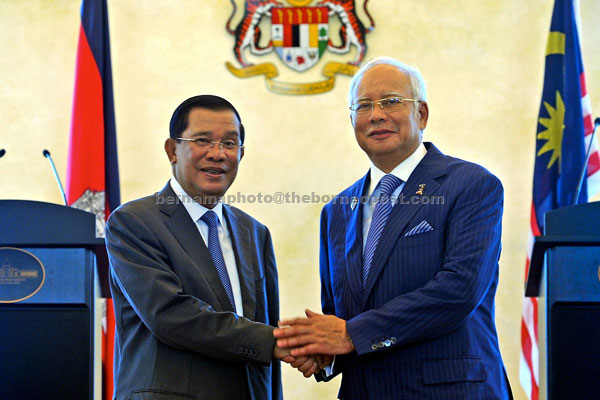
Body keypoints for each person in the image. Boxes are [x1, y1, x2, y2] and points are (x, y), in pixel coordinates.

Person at [274, 57, 513, 399]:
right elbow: (341, 313)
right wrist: (326, 351)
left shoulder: (471, 185)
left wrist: (351, 334)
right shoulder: (337, 211)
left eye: (391, 101)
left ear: (422, 114)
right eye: (363, 106)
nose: (376, 115)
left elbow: (459, 289)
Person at [105, 95, 289, 400]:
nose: (217, 154)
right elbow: (170, 315)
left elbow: (262, 327)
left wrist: (285, 346)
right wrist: (276, 342)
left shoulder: (255, 232)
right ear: (172, 150)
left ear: (241, 153)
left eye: (230, 144)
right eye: (202, 140)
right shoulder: (134, 221)